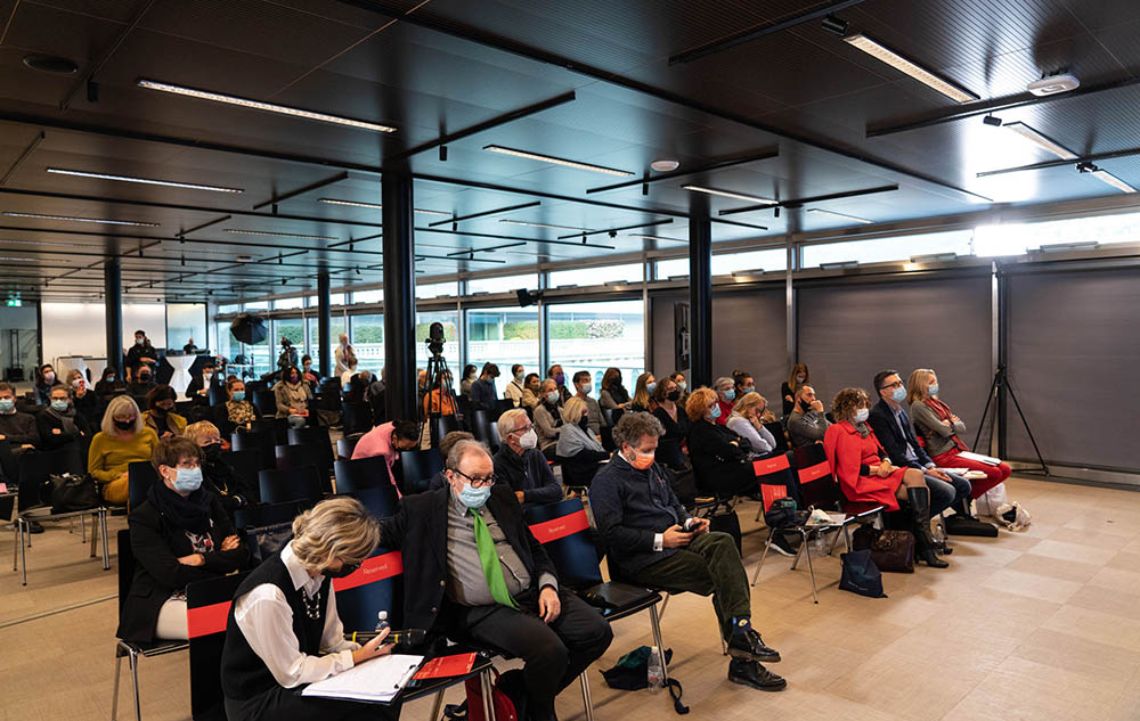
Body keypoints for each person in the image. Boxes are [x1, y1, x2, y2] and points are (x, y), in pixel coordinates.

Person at [377, 440, 612, 721]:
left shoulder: (501, 497)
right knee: (550, 651)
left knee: (597, 632)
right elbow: (374, 532)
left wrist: (548, 585)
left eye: (488, 478)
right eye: (475, 479)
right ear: (451, 476)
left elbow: (533, 548)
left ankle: (517, 693)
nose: (483, 486)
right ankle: (539, 712)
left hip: (531, 592)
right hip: (481, 610)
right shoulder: (421, 509)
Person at [590, 413, 787, 692]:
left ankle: (742, 639)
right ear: (626, 447)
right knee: (725, 574)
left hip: (676, 538)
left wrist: (688, 522)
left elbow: (674, 505)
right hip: (641, 559)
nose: (652, 454)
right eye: (646, 449)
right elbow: (612, 534)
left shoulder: (653, 469)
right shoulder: (607, 481)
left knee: (722, 542)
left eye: (654, 448)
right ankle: (743, 654)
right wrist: (661, 540)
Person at [221, 497, 395, 721]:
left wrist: (368, 656)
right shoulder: (268, 594)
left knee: (387, 690)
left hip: (296, 680)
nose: (356, 566)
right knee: (363, 708)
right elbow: (292, 673)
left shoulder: (320, 573)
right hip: (259, 698)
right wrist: (357, 657)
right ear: (330, 551)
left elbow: (331, 642)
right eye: (353, 560)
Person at [118, 437, 250, 644]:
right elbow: (170, 573)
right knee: (229, 625)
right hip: (162, 599)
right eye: (187, 464)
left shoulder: (209, 501)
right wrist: (219, 558)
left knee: (261, 612)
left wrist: (202, 559)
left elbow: (240, 553)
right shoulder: (145, 516)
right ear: (165, 471)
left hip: (210, 588)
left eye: (197, 464)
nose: (195, 469)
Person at [823, 387, 948, 568]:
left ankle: (923, 539)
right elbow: (846, 468)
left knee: (916, 474)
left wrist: (886, 462)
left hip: (882, 472)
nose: (864, 409)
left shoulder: (864, 427)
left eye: (865, 404)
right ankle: (925, 545)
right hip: (860, 480)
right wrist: (877, 470)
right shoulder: (837, 430)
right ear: (847, 408)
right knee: (913, 492)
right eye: (859, 405)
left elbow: (881, 451)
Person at [867, 370, 992, 536]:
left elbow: (915, 446)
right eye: (894, 385)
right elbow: (894, 453)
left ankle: (912, 525)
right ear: (883, 391)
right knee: (947, 492)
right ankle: (915, 529)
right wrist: (926, 470)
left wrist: (930, 465)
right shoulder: (878, 415)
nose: (900, 387)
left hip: (919, 464)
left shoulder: (900, 411)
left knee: (963, 485)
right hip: (905, 469)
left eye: (900, 383)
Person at [907, 368, 1011, 501]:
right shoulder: (918, 406)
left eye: (936, 382)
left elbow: (962, 427)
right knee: (995, 473)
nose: (935, 386)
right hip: (942, 455)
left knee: (1005, 469)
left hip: (956, 449)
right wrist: (950, 423)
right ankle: (963, 499)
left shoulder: (938, 403)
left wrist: (948, 422)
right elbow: (944, 431)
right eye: (931, 382)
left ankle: (964, 498)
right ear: (921, 385)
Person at [685, 388, 759, 499]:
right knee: (770, 469)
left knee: (777, 463)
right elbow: (729, 452)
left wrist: (736, 444)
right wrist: (736, 444)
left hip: (733, 468)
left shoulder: (719, 427)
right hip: (718, 477)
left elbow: (746, 443)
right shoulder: (701, 430)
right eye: (711, 406)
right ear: (700, 411)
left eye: (716, 403)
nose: (716, 407)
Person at [88, 395, 160, 505]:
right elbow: (94, 472)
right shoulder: (100, 439)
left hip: (146, 476)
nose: (127, 421)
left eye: (131, 416)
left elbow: (160, 461)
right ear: (111, 418)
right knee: (134, 484)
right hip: (115, 483)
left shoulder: (149, 433)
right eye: (121, 417)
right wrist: (118, 475)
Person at [493, 409, 563, 507]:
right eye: (525, 428)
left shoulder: (536, 455)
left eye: (531, 426)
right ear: (510, 438)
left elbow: (556, 491)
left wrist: (526, 495)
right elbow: (511, 502)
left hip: (545, 513)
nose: (531, 432)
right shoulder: (497, 464)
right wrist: (541, 495)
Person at [184, 421, 256, 512]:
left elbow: (248, 494)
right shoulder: (192, 473)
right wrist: (237, 500)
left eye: (217, 440)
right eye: (207, 442)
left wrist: (236, 500)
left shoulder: (225, 467)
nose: (214, 444)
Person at [351, 419, 420, 490]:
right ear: (395, 438)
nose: (407, 449)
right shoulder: (382, 451)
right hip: (360, 474)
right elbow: (389, 480)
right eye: (405, 447)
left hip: (373, 463)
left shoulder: (395, 428)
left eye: (410, 447)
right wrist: (399, 498)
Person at [555, 397, 609, 484]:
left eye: (586, 412)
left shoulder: (586, 430)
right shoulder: (567, 430)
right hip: (580, 472)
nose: (586, 415)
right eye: (583, 412)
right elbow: (582, 454)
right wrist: (608, 455)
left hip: (591, 465)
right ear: (574, 413)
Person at [37, 385, 92, 452]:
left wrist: (62, 433)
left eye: (62, 398)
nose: (58, 401)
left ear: (69, 399)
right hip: (54, 452)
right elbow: (50, 439)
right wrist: (77, 434)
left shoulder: (76, 414)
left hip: (78, 450)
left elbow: (87, 433)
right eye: (55, 398)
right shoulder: (44, 415)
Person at [651, 377, 689, 470]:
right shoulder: (657, 414)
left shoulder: (681, 411)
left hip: (682, 449)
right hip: (666, 452)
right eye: (670, 389)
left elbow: (689, 430)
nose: (674, 391)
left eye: (675, 388)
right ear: (662, 393)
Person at [726, 392, 779, 456]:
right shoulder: (737, 421)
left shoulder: (750, 420)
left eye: (761, 412)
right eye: (757, 410)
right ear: (747, 406)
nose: (758, 415)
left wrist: (759, 427)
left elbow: (773, 444)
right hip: (751, 461)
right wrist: (770, 448)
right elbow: (760, 446)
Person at [0, 382, 39, 451]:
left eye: (6, 397)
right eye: (0, 398)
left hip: (26, 455)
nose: (3, 401)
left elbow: (34, 439)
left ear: (15, 398)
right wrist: (20, 445)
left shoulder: (29, 418)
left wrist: (6, 438)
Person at [532, 379, 562, 460]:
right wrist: (564, 430)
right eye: (550, 390)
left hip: (562, 442)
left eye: (555, 389)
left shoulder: (560, 410)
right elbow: (549, 432)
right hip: (548, 446)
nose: (554, 392)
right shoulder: (539, 410)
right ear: (543, 394)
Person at [570, 370, 603, 435]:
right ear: (577, 384)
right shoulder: (572, 403)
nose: (588, 383)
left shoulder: (593, 401)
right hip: (585, 436)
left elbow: (602, 421)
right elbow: (574, 426)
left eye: (589, 380)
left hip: (600, 434)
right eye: (585, 381)